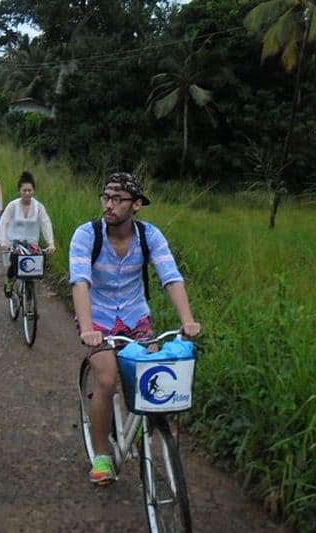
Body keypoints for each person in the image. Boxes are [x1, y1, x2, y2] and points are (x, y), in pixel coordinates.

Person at [68, 171, 201, 485]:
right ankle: (101, 454)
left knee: (153, 377)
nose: (109, 205)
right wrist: (87, 327)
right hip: (97, 318)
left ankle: (144, 432)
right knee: (107, 378)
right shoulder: (87, 234)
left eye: (118, 199)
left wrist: (188, 320)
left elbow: (171, 277)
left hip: (135, 316)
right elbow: (80, 282)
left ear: (137, 204)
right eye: (106, 197)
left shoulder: (149, 235)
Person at [0, 171, 56, 296]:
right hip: (13, 243)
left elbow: (46, 223)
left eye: (30, 190)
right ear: (19, 191)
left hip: (31, 244)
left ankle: (29, 295)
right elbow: (4, 222)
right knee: (13, 267)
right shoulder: (13, 206)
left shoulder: (39, 207)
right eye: (24, 190)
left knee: (32, 269)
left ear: (33, 190)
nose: (27, 193)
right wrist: (3, 240)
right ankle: (9, 282)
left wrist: (51, 243)